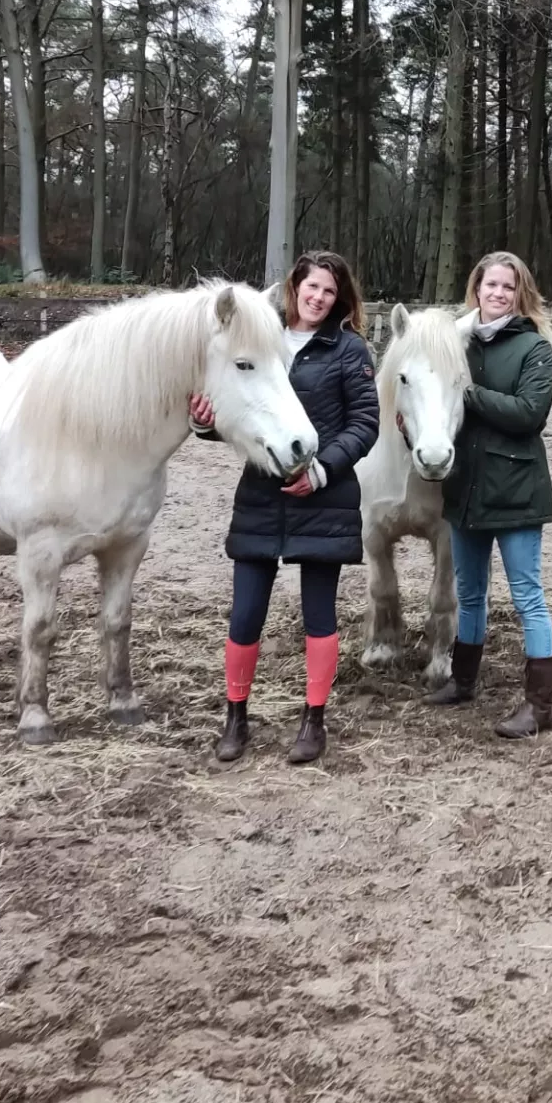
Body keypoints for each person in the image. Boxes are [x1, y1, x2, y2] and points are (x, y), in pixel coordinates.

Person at [189, 251, 378, 764]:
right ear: (294, 286)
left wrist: (321, 470)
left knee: (319, 614)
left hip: (325, 496)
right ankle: (235, 717)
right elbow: (235, 409)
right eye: (311, 287)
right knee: (246, 612)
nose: (318, 298)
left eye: (329, 292)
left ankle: (314, 721)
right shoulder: (259, 338)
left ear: (340, 300)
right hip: (261, 494)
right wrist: (205, 422)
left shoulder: (348, 349)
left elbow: (365, 423)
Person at [426, 251, 552, 737]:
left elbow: (529, 413)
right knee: (470, 593)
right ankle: (463, 681)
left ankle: (539, 706)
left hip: (517, 490)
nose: (498, 293)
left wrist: (469, 393)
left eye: (508, 286)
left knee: (528, 596)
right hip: (465, 487)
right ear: (476, 290)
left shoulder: (535, 349)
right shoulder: (454, 344)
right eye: (491, 285)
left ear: (520, 293)